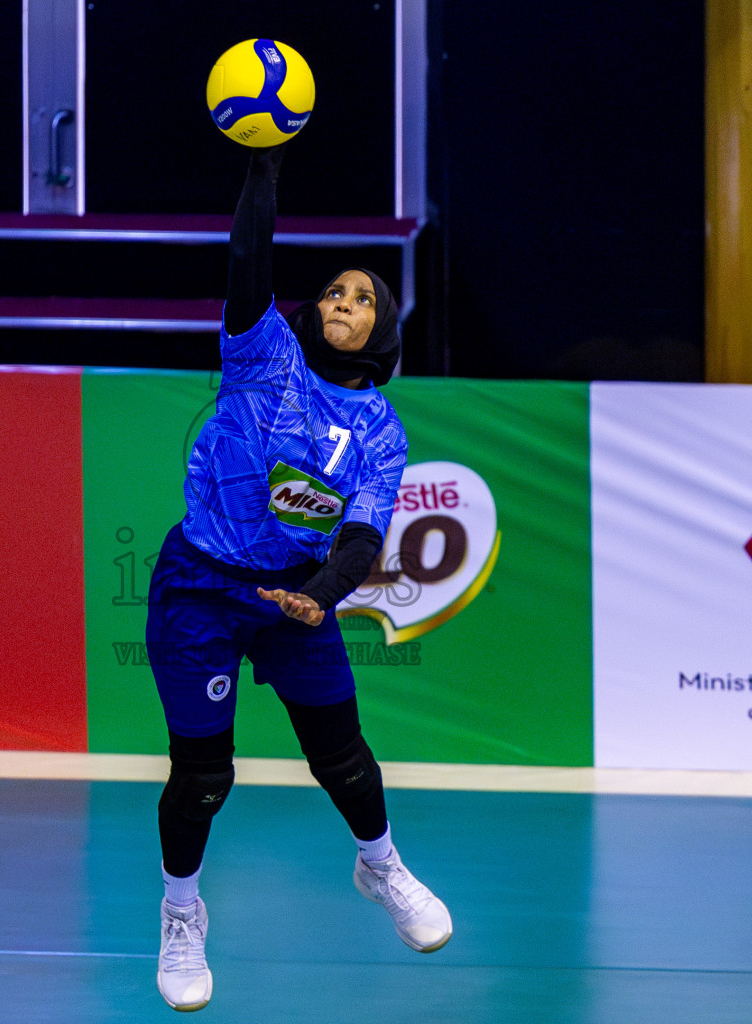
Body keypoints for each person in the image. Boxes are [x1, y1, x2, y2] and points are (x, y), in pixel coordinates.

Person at [147, 143, 452, 1012]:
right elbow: (249, 260)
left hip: (295, 597)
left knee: (344, 759)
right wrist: (261, 169)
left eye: (362, 297)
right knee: (203, 777)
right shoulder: (263, 353)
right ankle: (180, 913)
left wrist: (314, 599)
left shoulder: (381, 430)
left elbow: (360, 542)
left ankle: (381, 867)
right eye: (333, 290)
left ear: (382, 333)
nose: (341, 301)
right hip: (200, 583)